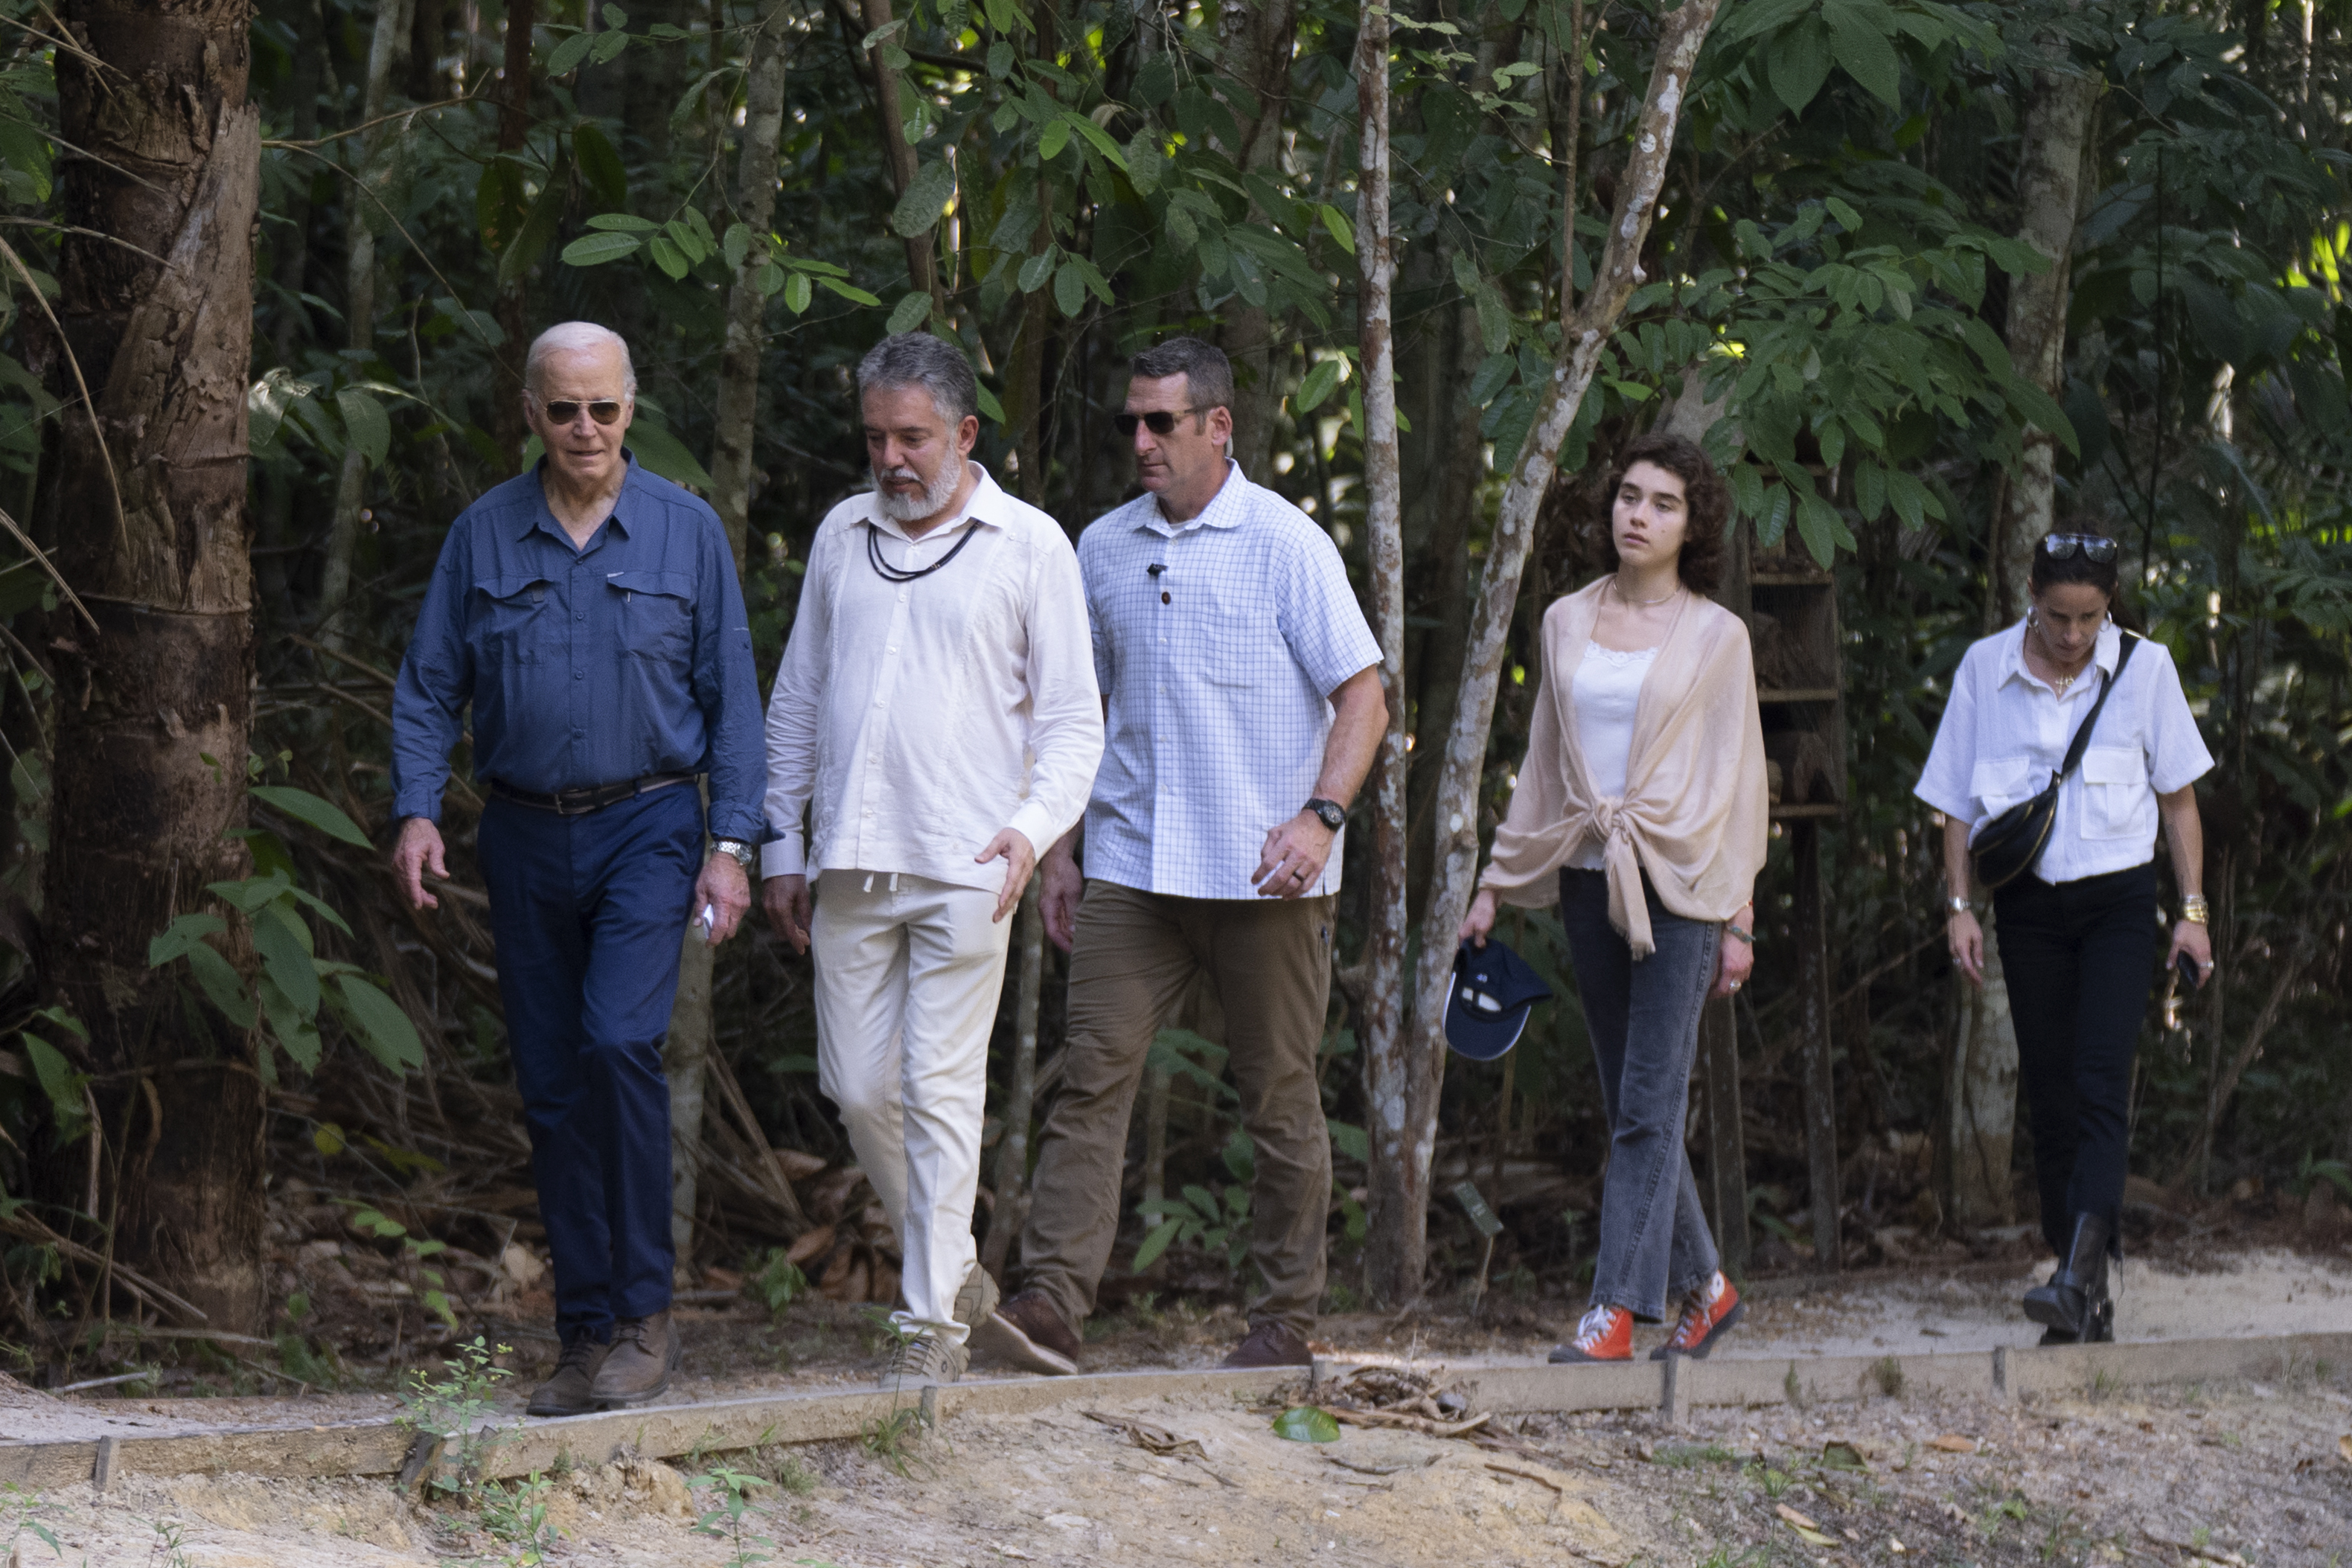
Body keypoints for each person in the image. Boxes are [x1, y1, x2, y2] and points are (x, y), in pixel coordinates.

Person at [977, 336, 1384, 1375]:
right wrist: (1059, 851)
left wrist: (1319, 818)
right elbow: (1080, 712)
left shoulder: (1287, 543)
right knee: (1093, 1078)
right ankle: (1053, 1302)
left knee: (1281, 1096)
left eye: (1163, 421)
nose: (1143, 440)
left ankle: (1282, 1315)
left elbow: (1364, 695)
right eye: (1131, 421)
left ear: (1218, 425)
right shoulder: (1102, 547)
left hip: (1265, 874)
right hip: (1129, 864)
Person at [390, 322, 763, 1415]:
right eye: (564, 410)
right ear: (531, 413)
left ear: (632, 408)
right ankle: (583, 1332)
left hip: (648, 824)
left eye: (603, 408)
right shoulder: (484, 533)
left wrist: (731, 847)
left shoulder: (687, 534)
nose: (586, 429)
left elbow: (734, 701)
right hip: (519, 832)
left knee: (617, 1044)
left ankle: (647, 1315)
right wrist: (417, 810)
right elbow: (426, 688)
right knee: (553, 1087)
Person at [761, 333, 1102, 1392]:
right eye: (876, 437)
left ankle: (926, 1340)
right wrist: (781, 837)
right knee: (858, 1084)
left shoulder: (1031, 544)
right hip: (853, 858)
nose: (892, 458)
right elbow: (798, 699)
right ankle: (953, 1271)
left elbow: (1074, 723)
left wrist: (1034, 828)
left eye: (912, 437)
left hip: (970, 858)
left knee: (942, 1085)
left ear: (963, 433)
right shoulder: (839, 533)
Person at [1460, 432, 1766, 1365]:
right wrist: (1495, 881)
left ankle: (1614, 1311)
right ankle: (1707, 1288)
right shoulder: (1564, 621)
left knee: (1647, 1101)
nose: (1637, 514)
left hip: (1682, 885)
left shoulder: (1718, 636)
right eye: (1627, 496)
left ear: (1692, 524)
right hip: (1592, 874)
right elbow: (1545, 764)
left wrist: (1740, 916)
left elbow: (1741, 776)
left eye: (1662, 503)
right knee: (1628, 1097)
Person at [1917, 531, 2213, 1343]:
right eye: (2058, 616)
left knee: (2098, 1079)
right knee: (2048, 1095)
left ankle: (2079, 1272)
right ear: (2031, 597)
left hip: (2119, 902)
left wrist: (2191, 915)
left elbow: (2179, 800)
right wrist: (1957, 905)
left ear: (2109, 603)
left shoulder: (2145, 668)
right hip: (2028, 908)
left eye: (2090, 617)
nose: (2073, 634)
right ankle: (2081, 1285)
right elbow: (1953, 803)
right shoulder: (1985, 667)